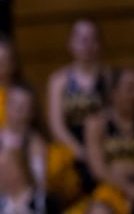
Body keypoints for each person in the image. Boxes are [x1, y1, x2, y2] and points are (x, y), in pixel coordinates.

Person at [46, 19, 111, 201]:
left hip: (103, 145)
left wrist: (95, 152)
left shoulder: (109, 78)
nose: (86, 45)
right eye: (81, 39)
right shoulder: (59, 80)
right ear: (70, 43)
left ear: (99, 44)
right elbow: (56, 125)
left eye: (92, 39)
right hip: (72, 146)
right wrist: (80, 151)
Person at [85, 69, 134, 212]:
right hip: (109, 187)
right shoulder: (97, 124)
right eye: (130, 89)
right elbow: (98, 169)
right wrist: (127, 188)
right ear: (113, 92)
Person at [0, 83, 49, 188]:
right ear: (5, 105)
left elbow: (39, 184)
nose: (17, 110)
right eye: (13, 103)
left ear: (32, 112)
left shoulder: (36, 144)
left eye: (23, 106)